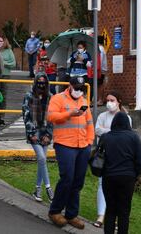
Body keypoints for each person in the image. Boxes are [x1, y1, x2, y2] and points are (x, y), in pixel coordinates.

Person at [47, 76, 94, 230]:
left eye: (81, 88)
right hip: (65, 144)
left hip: (82, 145)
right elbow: (51, 116)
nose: (79, 91)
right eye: (77, 88)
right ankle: (55, 210)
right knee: (67, 178)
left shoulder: (84, 101)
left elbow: (89, 123)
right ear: (70, 86)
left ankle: (71, 214)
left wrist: (89, 141)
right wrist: (69, 114)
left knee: (78, 181)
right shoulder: (58, 98)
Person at [101, 111, 141, 234]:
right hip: (127, 178)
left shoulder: (106, 137)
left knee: (110, 210)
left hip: (109, 177)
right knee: (124, 211)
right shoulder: (133, 137)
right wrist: (135, 174)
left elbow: (99, 157)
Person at [93, 91, 131, 228]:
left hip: (119, 158)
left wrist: (107, 131)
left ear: (119, 101)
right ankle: (101, 214)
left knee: (117, 190)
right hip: (104, 156)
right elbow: (97, 130)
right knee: (101, 185)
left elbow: (126, 135)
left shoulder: (126, 117)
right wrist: (113, 132)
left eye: (112, 100)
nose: (109, 102)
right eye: (108, 100)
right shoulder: (102, 116)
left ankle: (114, 217)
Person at [22, 72, 54, 202]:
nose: (41, 84)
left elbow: (52, 118)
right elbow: (26, 116)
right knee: (41, 158)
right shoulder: (29, 96)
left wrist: (49, 135)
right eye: (39, 81)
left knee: (42, 161)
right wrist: (31, 133)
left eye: (44, 82)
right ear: (35, 82)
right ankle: (48, 188)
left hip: (45, 133)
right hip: (34, 132)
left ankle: (37, 189)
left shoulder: (50, 97)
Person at [0, 34, 16, 122]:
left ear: (4, 42)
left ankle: (2, 116)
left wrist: (4, 62)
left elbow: (13, 64)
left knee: (3, 96)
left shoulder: (8, 51)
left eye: (0, 41)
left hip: (5, 75)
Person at [97, 36, 108, 105]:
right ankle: (99, 99)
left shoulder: (100, 49)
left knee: (100, 84)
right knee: (99, 84)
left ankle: (100, 100)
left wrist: (98, 69)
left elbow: (99, 60)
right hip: (101, 69)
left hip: (100, 69)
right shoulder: (101, 48)